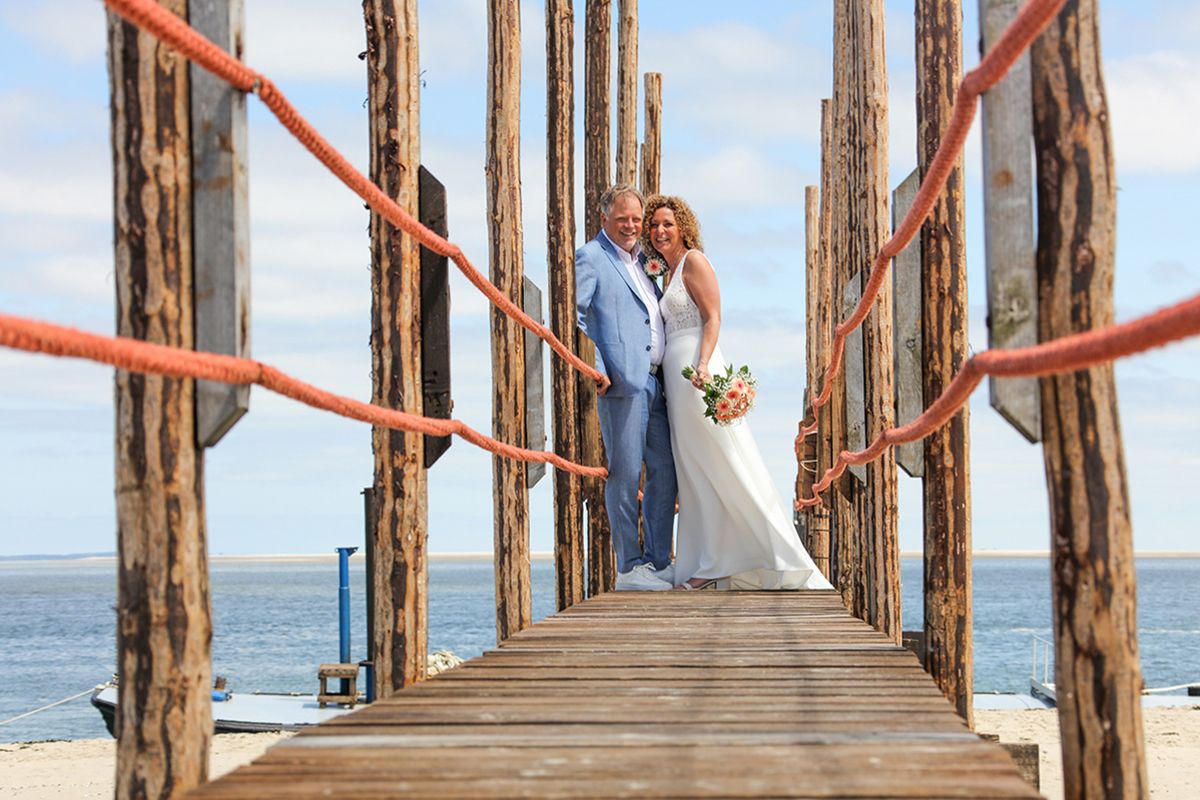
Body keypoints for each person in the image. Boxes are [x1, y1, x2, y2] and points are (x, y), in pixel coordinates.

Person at [643, 193, 833, 591]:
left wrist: (704, 364)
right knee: (695, 469)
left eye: (667, 224)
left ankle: (757, 553)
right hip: (675, 382)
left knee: (725, 459)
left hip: (697, 369)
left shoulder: (694, 261)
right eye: (654, 225)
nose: (660, 231)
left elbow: (713, 316)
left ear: (683, 228)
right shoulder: (666, 271)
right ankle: (708, 560)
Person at [576, 184, 678, 591]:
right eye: (623, 220)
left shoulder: (646, 262)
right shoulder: (591, 257)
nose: (631, 226)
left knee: (665, 471)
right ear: (604, 220)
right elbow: (575, 316)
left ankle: (656, 561)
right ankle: (629, 567)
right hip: (622, 383)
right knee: (625, 472)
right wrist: (598, 368)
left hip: (658, 382)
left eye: (636, 219)